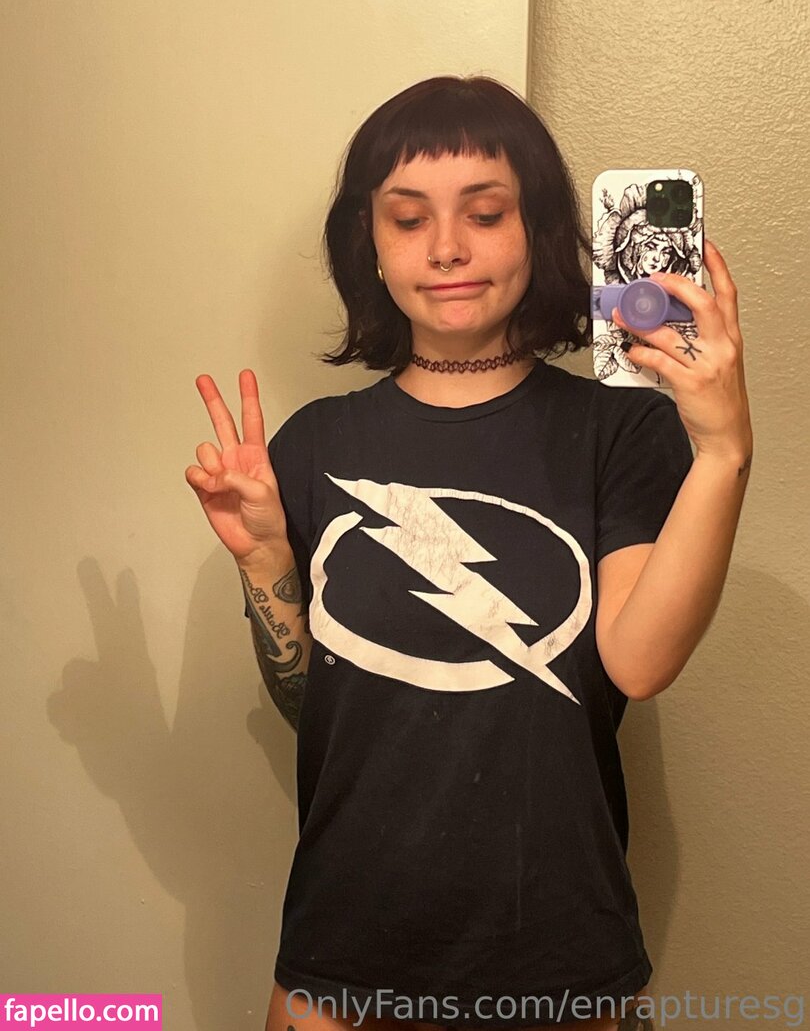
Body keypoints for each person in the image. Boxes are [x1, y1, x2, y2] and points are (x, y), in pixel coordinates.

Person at [186, 77, 753, 1031]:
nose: (447, 247)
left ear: (536, 228)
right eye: (409, 219)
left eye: (484, 214)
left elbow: (639, 663)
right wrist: (266, 563)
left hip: (559, 959)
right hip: (342, 953)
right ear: (370, 243)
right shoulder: (316, 444)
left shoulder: (619, 433)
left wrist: (723, 450)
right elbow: (317, 704)